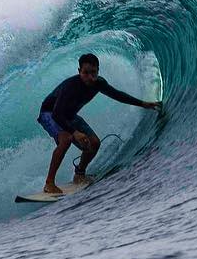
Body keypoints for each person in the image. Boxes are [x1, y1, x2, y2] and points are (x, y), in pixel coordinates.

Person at [38, 52, 161, 194]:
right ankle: (49, 183)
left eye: (93, 72)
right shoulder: (70, 87)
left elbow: (117, 95)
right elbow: (57, 114)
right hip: (50, 113)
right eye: (85, 73)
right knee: (66, 139)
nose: (90, 77)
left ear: (98, 71)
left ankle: (79, 174)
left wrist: (142, 103)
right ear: (79, 72)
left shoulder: (99, 84)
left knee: (94, 143)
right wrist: (74, 132)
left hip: (70, 116)